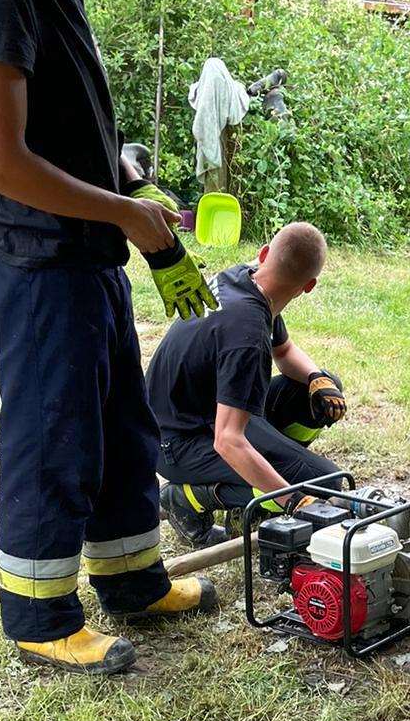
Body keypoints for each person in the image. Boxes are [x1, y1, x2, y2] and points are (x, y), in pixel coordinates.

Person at [0, 0, 219, 676]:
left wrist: (125, 176)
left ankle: (133, 580)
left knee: (118, 428)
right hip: (37, 266)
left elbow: (59, 131)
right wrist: (117, 211)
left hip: (87, 259)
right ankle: (40, 617)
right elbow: (0, 164)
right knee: (54, 436)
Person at [146, 224, 349, 544]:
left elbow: (284, 351)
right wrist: (293, 500)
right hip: (178, 444)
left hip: (206, 413)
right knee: (321, 484)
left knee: (319, 392)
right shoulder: (247, 333)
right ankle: (186, 498)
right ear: (308, 286)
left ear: (264, 253)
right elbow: (228, 441)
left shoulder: (244, 280)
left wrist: (317, 378)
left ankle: (266, 480)